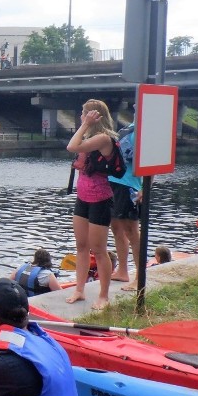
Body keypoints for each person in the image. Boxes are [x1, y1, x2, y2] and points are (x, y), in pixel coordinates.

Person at [65, 99, 118, 310]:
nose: (80, 117)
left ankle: (103, 295)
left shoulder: (104, 138)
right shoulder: (87, 136)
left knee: (98, 249)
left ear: (93, 117)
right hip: (83, 197)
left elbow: (72, 146)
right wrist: (84, 127)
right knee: (81, 246)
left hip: (100, 199)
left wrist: (85, 124)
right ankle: (79, 289)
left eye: (83, 114)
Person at [109, 121, 141, 290]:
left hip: (130, 185)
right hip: (113, 181)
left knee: (131, 231)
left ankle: (139, 277)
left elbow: (154, 158)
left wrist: (145, 188)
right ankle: (122, 271)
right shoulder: (129, 127)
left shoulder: (146, 129)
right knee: (116, 228)